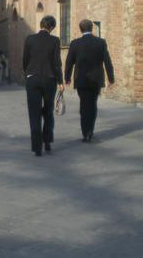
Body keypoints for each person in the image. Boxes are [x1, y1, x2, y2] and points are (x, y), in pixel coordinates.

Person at [64, 19, 115, 142]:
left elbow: (69, 62)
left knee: (84, 104)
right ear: (91, 28)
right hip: (96, 79)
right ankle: (90, 130)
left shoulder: (75, 43)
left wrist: (67, 77)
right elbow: (107, 61)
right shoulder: (100, 42)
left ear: (80, 29)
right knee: (92, 104)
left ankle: (85, 132)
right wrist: (111, 78)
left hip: (81, 79)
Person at [23, 15, 64, 156]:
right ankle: (47, 141)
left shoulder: (30, 39)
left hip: (32, 79)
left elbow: (25, 60)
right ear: (52, 27)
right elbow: (57, 63)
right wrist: (60, 81)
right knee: (48, 112)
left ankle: (36, 147)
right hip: (49, 80)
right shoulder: (55, 41)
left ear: (41, 25)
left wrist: (27, 74)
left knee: (34, 114)